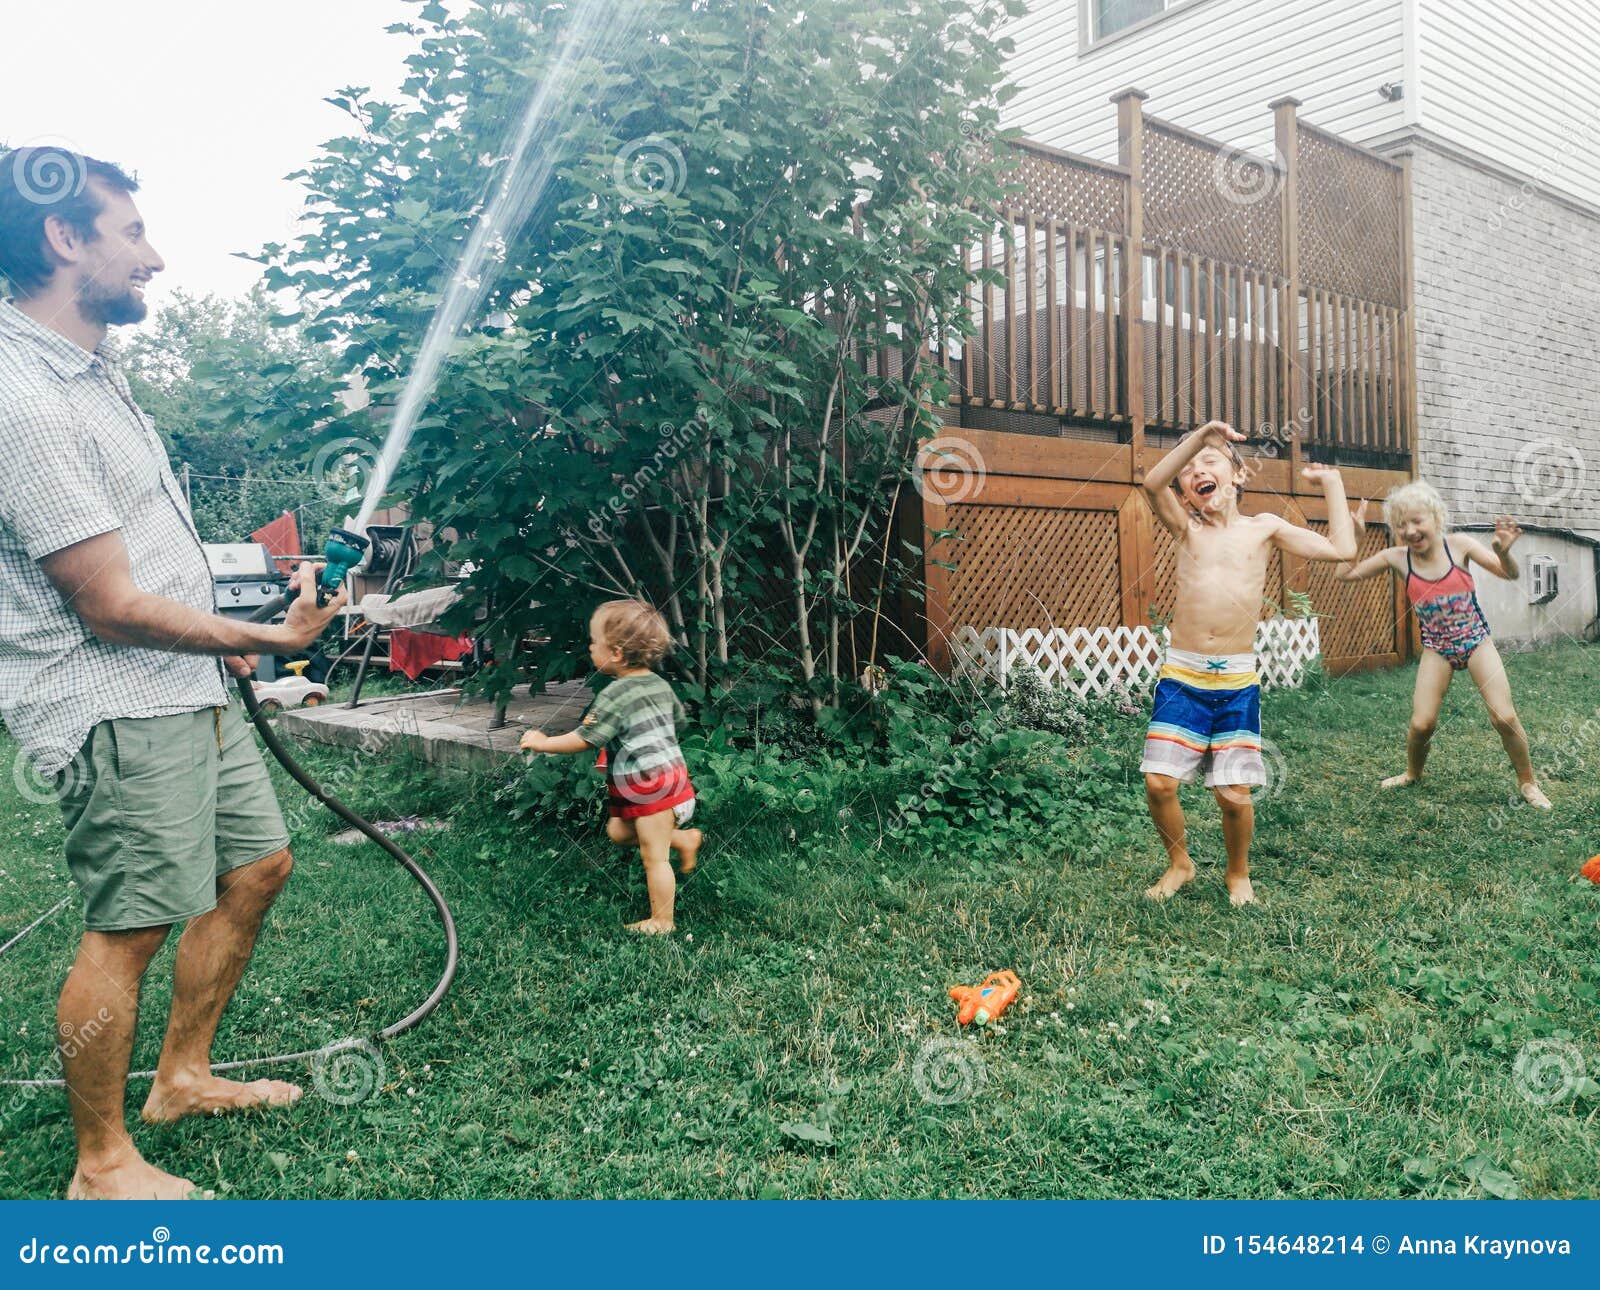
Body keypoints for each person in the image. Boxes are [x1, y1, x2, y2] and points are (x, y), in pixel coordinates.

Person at [0, 147, 346, 1199]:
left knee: (256, 869)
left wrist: (229, 632)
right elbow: (103, 602)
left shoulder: (93, 373)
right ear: (65, 239)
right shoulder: (23, 397)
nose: (156, 257)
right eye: (133, 233)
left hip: (180, 681)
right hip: (113, 699)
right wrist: (276, 643)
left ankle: (182, 1077)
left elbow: (141, 558)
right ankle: (101, 1166)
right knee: (133, 923)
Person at [1138, 421, 1357, 905]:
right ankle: (1181, 863)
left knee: (1232, 794)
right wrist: (1200, 438)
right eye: (1188, 470)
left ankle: (1238, 873)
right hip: (1182, 675)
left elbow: (1342, 549)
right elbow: (1153, 483)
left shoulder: (1265, 530)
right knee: (1158, 782)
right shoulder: (1186, 527)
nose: (1196, 472)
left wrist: (1334, 485)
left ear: (1238, 476)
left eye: (1210, 462)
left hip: (1236, 679)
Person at [1336, 480, 1551, 808]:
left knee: (1504, 717)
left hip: (1476, 642)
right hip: (1437, 649)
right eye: (1400, 525)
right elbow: (1344, 575)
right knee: (1422, 724)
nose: (1409, 530)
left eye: (1417, 521)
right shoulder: (1396, 558)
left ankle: (1528, 783)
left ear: (1436, 518)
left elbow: (1510, 575)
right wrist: (1357, 538)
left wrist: (1504, 552)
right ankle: (1412, 773)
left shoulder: (1460, 545)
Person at [521, 600, 701, 934]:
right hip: (665, 781)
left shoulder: (615, 694)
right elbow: (678, 721)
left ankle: (663, 921)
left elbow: (584, 739)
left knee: (654, 858)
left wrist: (543, 741)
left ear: (616, 653)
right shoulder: (660, 685)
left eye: (593, 642)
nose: (590, 648)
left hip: (652, 788)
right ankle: (684, 839)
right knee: (618, 832)